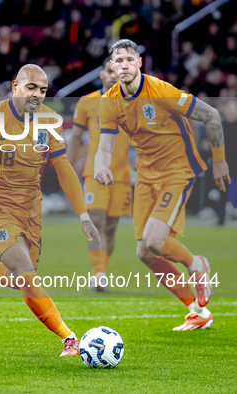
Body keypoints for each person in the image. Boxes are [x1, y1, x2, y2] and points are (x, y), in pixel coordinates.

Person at [0, 64, 102, 357]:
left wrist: (83, 215)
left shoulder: (49, 120)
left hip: (31, 208)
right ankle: (69, 338)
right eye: (31, 88)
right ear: (15, 87)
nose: (37, 95)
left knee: (19, 278)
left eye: (43, 90)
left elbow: (63, 167)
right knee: (24, 272)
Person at [94, 39, 231, 331]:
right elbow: (105, 144)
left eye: (130, 59)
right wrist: (100, 163)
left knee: (155, 241)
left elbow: (211, 114)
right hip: (145, 176)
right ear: (112, 67)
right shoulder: (109, 101)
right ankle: (198, 312)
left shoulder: (160, 91)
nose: (124, 65)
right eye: (118, 61)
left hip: (177, 171)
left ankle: (197, 264)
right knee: (144, 253)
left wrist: (219, 161)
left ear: (140, 63)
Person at [68, 55, 131, 291]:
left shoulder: (131, 103)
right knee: (96, 221)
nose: (113, 74)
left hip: (122, 174)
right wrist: (68, 167)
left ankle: (102, 268)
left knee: (112, 226)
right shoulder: (86, 102)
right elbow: (75, 137)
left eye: (117, 70)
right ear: (102, 74)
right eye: (109, 70)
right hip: (94, 173)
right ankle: (99, 273)